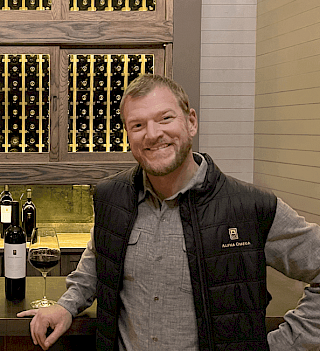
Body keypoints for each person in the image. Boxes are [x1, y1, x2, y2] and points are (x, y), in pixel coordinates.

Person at [18, 74, 320, 350]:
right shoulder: (112, 197)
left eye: (165, 118)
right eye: (138, 125)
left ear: (191, 122)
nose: (152, 134)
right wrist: (65, 306)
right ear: (128, 134)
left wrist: (283, 345)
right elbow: (98, 262)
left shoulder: (250, 207)